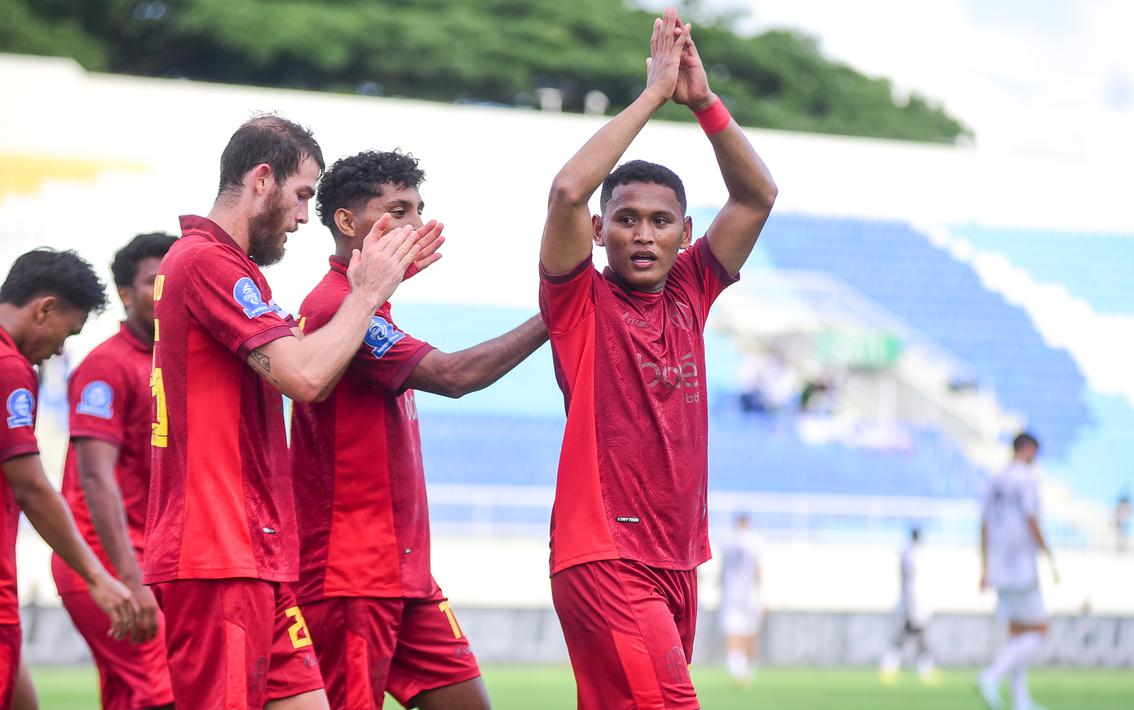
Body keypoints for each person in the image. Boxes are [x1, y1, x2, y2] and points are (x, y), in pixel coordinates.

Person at [143, 115, 440, 710]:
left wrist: (374, 293)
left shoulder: (231, 268)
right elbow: (304, 377)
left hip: (257, 550)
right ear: (261, 179)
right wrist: (369, 292)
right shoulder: (208, 261)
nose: (306, 216)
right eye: (302, 195)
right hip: (216, 550)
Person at [538, 9, 776, 707]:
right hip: (606, 554)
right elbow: (565, 191)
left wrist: (700, 101)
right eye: (626, 219)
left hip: (677, 557)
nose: (643, 234)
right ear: (599, 231)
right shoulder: (578, 298)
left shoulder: (691, 289)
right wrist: (651, 95)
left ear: (685, 233)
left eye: (660, 221)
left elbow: (757, 196)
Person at [290, 149, 546, 710]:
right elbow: (455, 376)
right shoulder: (338, 306)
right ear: (348, 223)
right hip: (352, 574)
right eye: (398, 210)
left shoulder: (372, 310)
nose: (414, 225)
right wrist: (557, 310)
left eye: (418, 210)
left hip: (402, 572)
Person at [0, 249, 138, 709]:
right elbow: (33, 488)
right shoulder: (10, 368)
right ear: (45, 309)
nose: (60, 349)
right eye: (67, 333)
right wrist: (98, 577)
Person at [51, 233, 178, 710]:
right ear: (126, 293)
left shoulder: (175, 364)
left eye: (173, 280)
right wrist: (129, 578)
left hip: (154, 562)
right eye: (152, 281)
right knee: (166, 695)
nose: (165, 291)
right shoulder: (107, 366)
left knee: (134, 696)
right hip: (108, 563)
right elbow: (95, 478)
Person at [978, 432, 1057, 710]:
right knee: (1039, 630)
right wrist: (1048, 554)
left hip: (999, 566)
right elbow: (1031, 518)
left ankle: (1020, 701)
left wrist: (984, 567)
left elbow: (984, 525)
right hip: (1021, 565)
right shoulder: (1027, 478)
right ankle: (991, 675)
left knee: (1017, 633)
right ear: (1027, 448)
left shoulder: (994, 478)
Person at [879, 526, 937, 685]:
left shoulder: (908, 553)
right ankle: (895, 668)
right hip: (911, 604)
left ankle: (894, 668)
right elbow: (911, 582)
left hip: (911, 603)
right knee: (913, 638)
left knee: (912, 638)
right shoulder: (912, 555)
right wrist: (912, 605)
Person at [719, 514, 763, 688]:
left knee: (736, 632)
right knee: (746, 632)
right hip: (747, 595)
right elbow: (758, 569)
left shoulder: (728, 540)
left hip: (734, 594)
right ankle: (745, 671)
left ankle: (739, 670)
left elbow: (723, 567)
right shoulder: (755, 541)